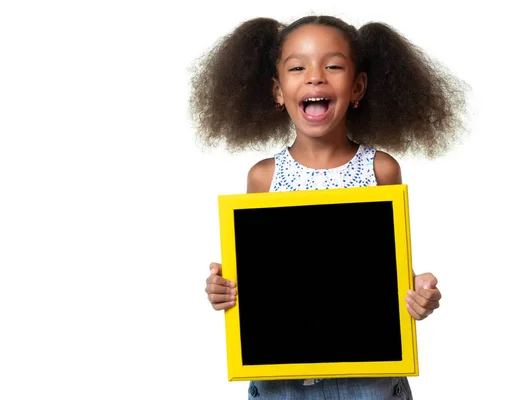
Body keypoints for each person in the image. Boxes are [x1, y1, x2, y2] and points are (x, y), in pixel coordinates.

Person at [189, 14, 467, 400]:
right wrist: (225, 290)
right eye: (297, 67)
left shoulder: (379, 168)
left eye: (333, 66)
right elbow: (263, 275)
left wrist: (418, 291)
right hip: (282, 379)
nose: (315, 77)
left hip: (368, 378)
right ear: (277, 90)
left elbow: (386, 267)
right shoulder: (264, 178)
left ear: (357, 87)